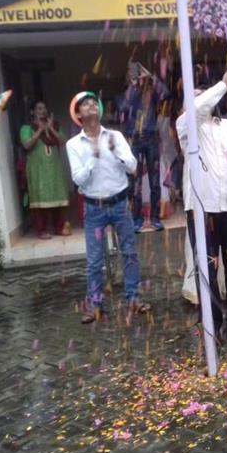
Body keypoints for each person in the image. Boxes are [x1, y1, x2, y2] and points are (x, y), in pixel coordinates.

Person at [176, 68, 227, 336]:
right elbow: (196, 110)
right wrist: (222, 84)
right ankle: (210, 322)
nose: (203, 102)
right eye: (197, 98)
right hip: (203, 210)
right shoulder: (186, 127)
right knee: (207, 268)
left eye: (205, 96)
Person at [66, 92, 152, 324]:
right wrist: (94, 157)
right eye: (85, 104)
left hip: (120, 204)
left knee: (130, 253)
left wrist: (115, 151)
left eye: (94, 102)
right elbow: (78, 180)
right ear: (78, 114)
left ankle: (133, 299)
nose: (91, 105)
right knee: (94, 260)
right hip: (94, 208)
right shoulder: (73, 144)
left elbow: (133, 167)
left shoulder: (115, 136)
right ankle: (94, 305)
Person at [121, 63, 167, 233]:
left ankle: (155, 218)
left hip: (152, 138)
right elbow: (124, 108)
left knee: (155, 181)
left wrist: (151, 77)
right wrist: (133, 85)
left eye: (138, 74)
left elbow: (165, 94)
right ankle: (136, 219)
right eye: (133, 74)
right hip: (134, 139)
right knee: (134, 182)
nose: (137, 77)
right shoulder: (128, 93)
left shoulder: (152, 93)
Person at [19, 100, 71, 239]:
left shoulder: (55, 126)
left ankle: (59, 228)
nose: (43, 111)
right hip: (38, 170)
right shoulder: (26, 128)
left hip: (54, 169)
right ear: (32, 112)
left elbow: (64, 141)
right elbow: (27, 144)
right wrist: (40, 130)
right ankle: (41, 230)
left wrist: (51, 129)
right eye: (39, 108)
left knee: (57, 196)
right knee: (40, 199)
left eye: (44, 108)